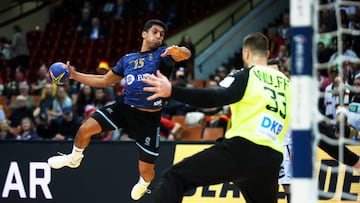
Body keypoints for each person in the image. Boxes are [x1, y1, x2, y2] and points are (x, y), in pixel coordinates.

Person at [47, 19, 191, 201]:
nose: (159, 36)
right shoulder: (127, 59)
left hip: (149, 118)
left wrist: (178, 50)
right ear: (144, 34)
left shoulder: (163, 54)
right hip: (125, 108)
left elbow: (186, 54)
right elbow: (103, 81)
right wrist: (74, 75)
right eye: (155, 31)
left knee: (147, 172)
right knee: (84, 129)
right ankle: (74, 158)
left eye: (162, 34)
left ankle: (144, 184)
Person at [142, 32, 291, 203]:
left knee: (174, 177)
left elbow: (215, 97)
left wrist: (172, 91)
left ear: (246, 53)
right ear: (267, 54)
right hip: (271, 160)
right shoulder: (289, 86)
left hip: (243, 149)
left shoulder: (247, 74)